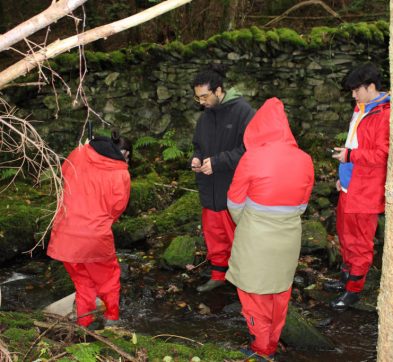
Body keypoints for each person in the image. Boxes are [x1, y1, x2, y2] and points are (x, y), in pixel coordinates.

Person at [226, 98, 314, 361]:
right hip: (289, 237)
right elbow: (303, 205)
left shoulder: (252, 157)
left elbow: (234, 201)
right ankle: (272, 344)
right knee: (279, 293)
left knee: (254, 296)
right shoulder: (305, 159)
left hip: (256, 237)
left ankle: (261, 351)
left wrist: (249, 223)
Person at [47, 131, 132, 328]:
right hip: (94, 237)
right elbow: (117, 208)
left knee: (82, 282)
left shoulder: (77, 153)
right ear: (125, 154)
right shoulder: (121, 173)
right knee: (108, 279)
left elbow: (63, 172)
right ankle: (112, 320)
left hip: (65, 235)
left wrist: (83, 149)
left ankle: (84, 324)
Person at [324, 63, 390, 310]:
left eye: (356, 90)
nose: (353, 95)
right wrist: (343, 173)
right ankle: (346, 277)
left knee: (361, 243)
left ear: (371, 87)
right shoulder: (362, 107)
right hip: (349, 186)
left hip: (367, 191)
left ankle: (353, 291)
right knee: (345, 235)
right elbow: (354, 142)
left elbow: (383, 155)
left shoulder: (385, 114)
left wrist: (350, 158)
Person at [191, 66, 255, 292]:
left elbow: (250, 149)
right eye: (198, 98)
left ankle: (244, 282)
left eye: (205, 96)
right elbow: (198, 145)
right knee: (214, 234)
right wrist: (197, 159)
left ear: (219, 91)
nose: (201, 102)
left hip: (234, 188)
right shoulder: (205, 118)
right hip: (210, 189)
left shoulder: (243, 112)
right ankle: (218, 275)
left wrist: (217, 162)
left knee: (238, 237)